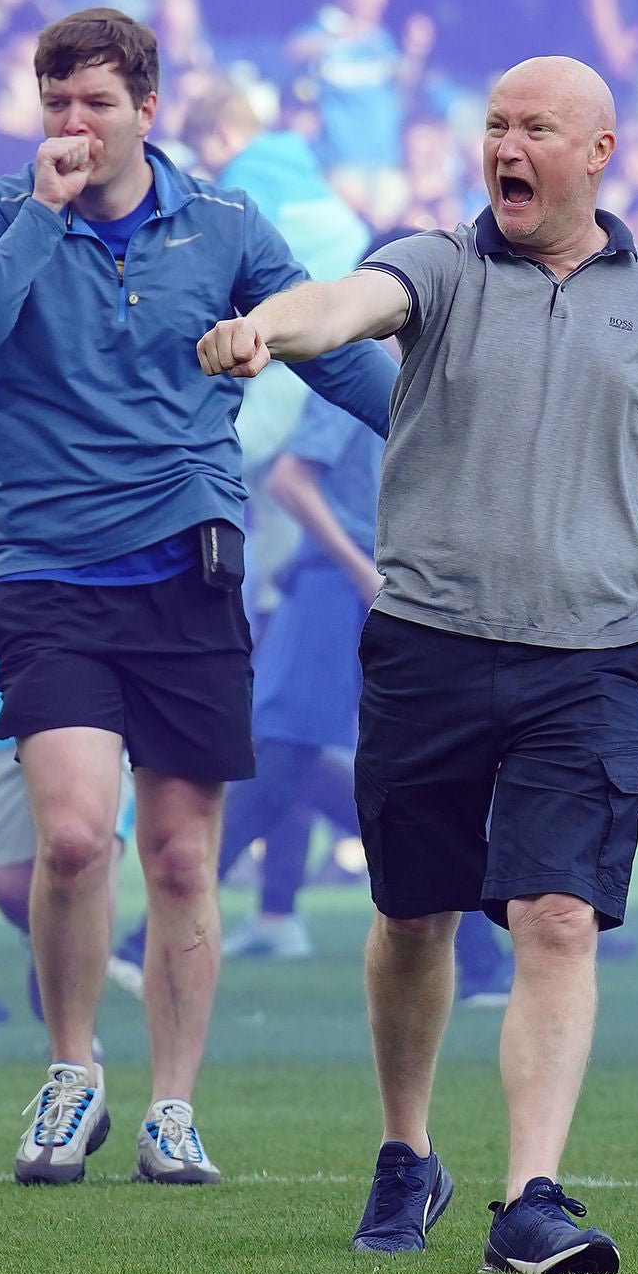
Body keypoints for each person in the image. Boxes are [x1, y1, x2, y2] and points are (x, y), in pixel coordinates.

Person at [199, 55, 638, 1273]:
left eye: (534, 128)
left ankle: (532, 1197)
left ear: (597, 149)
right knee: (414, 915)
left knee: (555, 916)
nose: (506, 145)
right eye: (494, 123)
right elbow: (341, 305)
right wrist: (265, 327)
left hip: (589, 657)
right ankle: (407, 1151)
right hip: (429, 644)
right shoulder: (438, 266)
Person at [0, 9, 396, 1186]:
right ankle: (73, 1068)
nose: (71, 125)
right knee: (77, 836)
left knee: (185, 860)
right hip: (47, 563)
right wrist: (42, 210)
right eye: (54, 103)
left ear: (147, 107)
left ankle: (173, 1106)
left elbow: (334, 354)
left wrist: (445, 429)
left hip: (187, 560)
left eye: (93, 103)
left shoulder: (228, 225)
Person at [215, 394, 382, 963]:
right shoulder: (342, 369)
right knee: (284, 754)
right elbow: (270, 463)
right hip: (329, 583)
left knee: (289, 759)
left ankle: (274, 911)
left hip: (362, 584)